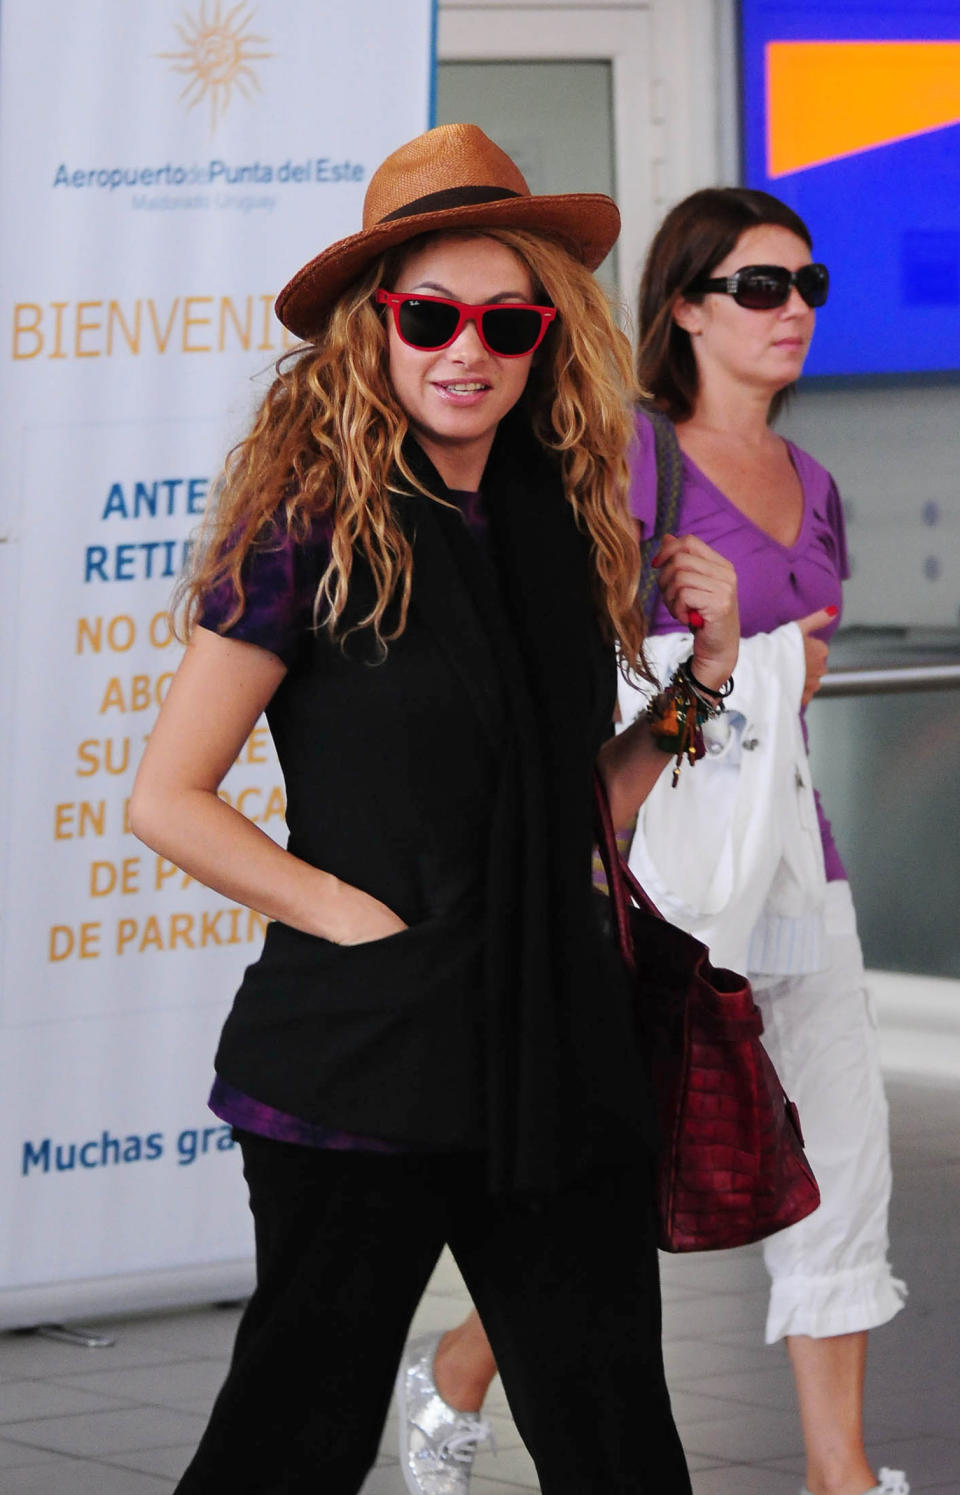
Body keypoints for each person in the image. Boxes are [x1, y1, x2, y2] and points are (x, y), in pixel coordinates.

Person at [129, 124, 739, 1495]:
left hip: (556, 1051)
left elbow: (588, 809)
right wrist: (355, 920)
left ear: (543, 339)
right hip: (369, 1055)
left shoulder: (557, 524)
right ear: (374, 329)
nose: (467, 349)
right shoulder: (309, 530)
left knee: (619, 1437)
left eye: (506, 321)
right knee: (294, 1440)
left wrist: (700, 686)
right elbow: (168, 798)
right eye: (430, 316)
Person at [425, 187, 908, 1495]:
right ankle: (469, 1356)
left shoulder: (814, 486)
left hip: (800, 867)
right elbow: (583, 670)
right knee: (634, 1168)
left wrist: (776, 669)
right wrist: (733, 655)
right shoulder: (637, 460)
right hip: (661, 877)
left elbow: (792, 693)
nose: (792, 311)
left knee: (840, 1159)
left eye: (809, 286)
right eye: (759, 287)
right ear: (686, 307)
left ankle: (838, 1475)